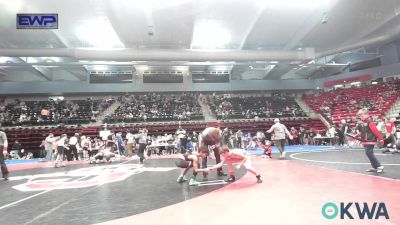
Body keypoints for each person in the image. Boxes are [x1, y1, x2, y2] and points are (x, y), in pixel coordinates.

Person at [356, 108, 384, 173]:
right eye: (359, 116)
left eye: (361, 115)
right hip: (366, 141)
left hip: (370, 140)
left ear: (366, 114)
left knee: (369, 153)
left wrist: (381, 139)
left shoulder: (370, 121)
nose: (360, 117)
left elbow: (375, 131)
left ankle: (379, 166)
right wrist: (358, 134)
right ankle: (375, 167)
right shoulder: (364, 122)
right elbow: (365, 132)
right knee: (369, 154)